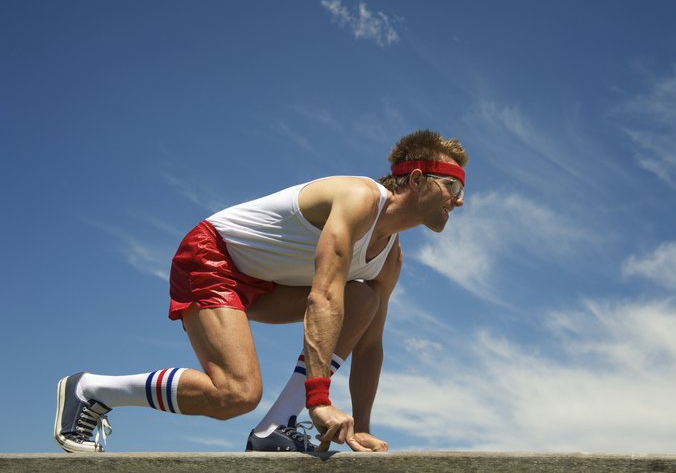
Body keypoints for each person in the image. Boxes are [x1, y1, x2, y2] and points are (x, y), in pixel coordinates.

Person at [54, 129, 468, 453]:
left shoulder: (390, 260)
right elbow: (322, 297)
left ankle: (275, 427)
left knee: (365, 298)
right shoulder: (359, 198)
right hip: (213, 256)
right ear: (416, 180)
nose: (459, 201)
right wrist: (318, 399)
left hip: (269, 283)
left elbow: (370, 346)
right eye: (453, 188)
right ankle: (91, 389)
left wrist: (361, 426)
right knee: (236, 394)